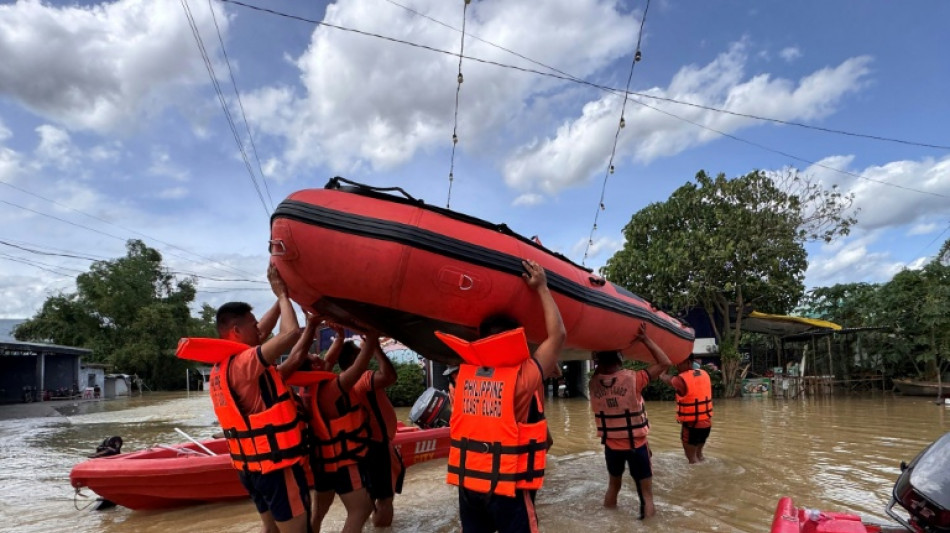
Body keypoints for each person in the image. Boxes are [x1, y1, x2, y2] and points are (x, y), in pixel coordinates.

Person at [436, 259, 565, 533]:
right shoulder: (521, 380)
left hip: (469, 486)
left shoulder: (461, 379)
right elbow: (558, 335)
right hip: (507, 487)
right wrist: (542, 287)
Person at [210, 264, 309, 533]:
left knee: (271, 529)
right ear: (236, 331)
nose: (261, 331)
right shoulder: (245, 363)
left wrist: (280, 299)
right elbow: (290, 335)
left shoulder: (221, 367)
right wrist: (282, 296)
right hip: (275, 467)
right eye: (253, 326)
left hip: (251, 469)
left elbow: (261, 333)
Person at [588, 322, 672, 519]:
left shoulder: (593, 384)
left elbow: (600, 369)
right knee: (647, 495)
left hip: (611, 446)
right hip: (637, 445)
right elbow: (665, 363)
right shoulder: (634, 379)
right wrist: (645, 339)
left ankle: (610, 522)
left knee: (613, 486)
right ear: (619, 358)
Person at [309, 330, 380, 533]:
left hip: (322, 463)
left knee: (318, 513)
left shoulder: (310, 388)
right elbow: (358, 368)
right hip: (344, 462)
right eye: (315, 358)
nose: (320, 357)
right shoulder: (334, 388)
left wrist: (339, 336)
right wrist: (372, 338)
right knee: (361, 509)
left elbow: (329, 359)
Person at [660, 355, 713, 464]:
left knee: (692, 461)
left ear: (688, 362)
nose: (677, 366)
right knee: (699, 456)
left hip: (691, 426)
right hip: (706, 425)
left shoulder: (681, 380)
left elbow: (662, 376)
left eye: (679, 363)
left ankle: (698, 480)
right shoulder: (704, 374)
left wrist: (667, 362)